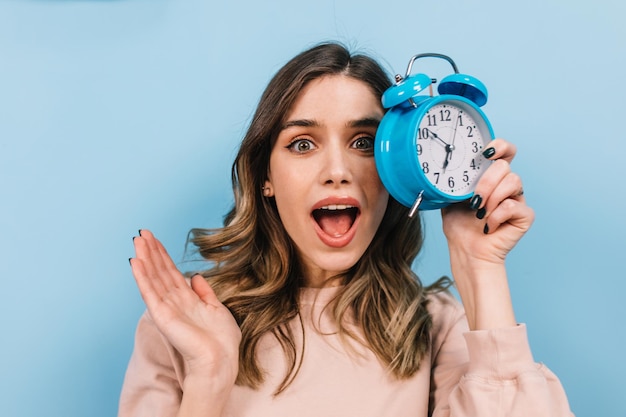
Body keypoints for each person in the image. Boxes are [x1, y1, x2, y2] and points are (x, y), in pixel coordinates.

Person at [118, 42, 573, 417]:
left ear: (394, 169)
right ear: (266, 178)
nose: (337, 170)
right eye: (302, 143)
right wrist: (209, 377)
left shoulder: (433, 325)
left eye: (363, 143)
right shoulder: (184, 323)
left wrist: (480, 267)